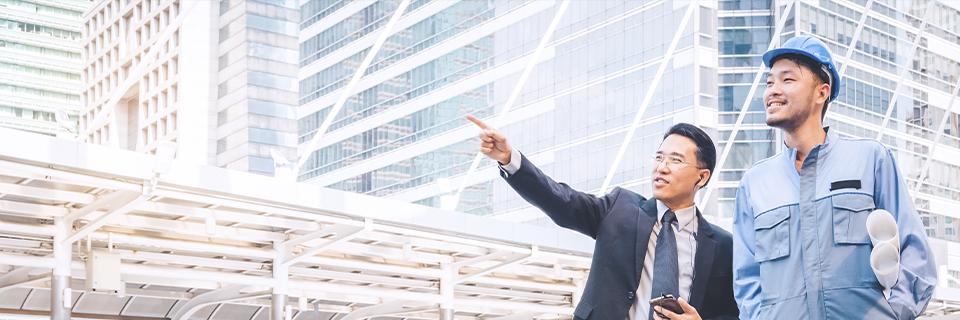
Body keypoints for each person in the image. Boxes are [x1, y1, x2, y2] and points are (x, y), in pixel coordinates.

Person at [731, 35, 938, 319]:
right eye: (769, 83)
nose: (772, 91)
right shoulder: (754, 183)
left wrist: (892, 314)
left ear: (821, 92)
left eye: (787, 80)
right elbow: (747, 282)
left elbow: (916, 256)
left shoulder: (871, 160)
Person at [469, 115, 738, 320]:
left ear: (702, 177)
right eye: (659, 158)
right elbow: (562, 201)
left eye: (675, 160)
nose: (661, 168)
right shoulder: (620, 208)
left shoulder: (724, 247)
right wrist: (508, 158)